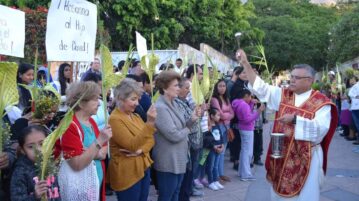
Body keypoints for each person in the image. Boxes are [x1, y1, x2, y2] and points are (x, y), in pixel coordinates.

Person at [237, 49, 338, 201]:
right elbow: (260, 87)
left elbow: (320, 129)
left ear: (310, 80)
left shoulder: (321, 103)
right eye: (292, 76)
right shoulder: (283, 95)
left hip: (306, 157)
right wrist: (245, 63)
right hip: (283, 155)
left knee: (305, 195)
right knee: (278, 194)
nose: (292, 80)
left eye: (297, 77)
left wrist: (296, 119)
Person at [54, 81, 112, 201]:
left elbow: (103, 153)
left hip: (95, 186)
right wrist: (99, 142)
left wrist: (88, 151)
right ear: (81, 103)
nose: (100, 103)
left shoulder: (91, 122)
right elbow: (77, 164)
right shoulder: (69, 125)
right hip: (79, 189)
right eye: (95, 99)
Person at [153, 71, 200, 201]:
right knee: (167, 196)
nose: (178, 88)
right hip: (168, 161)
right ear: (164, 88)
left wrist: (192, 119)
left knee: (175, 194)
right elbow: (173, 135)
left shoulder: (174, 103)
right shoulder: (160, 107)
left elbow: (181, 126)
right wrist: (189, 128)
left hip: (179, 159)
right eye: (175, 85)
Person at [108, 78, 157, 201]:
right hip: (127, 173)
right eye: (133, 99)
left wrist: (140, 151)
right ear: (120, 98)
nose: (137, 103)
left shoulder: (135, 116)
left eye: (137, 99)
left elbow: (151, 140)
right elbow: (131, 145)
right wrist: (150, 122)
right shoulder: (115, 119)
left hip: (143, 167)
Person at [10, 125, 61, 201]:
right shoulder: (21, 171)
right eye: (31, 147)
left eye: (42, 144)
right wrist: (35, 196)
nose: (38, 150)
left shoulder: (51, 163)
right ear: (22, 150)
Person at [232, 89, 265, 181]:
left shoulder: (239, 103)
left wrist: (251, 104)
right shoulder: (243, 105)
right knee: (248, 153)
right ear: (246, 96)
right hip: (247, 129)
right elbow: (247, 119)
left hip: (243, 128)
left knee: (244, 151)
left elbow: (246, 114)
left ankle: (241, 172)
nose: (251, 98)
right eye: (250, 96)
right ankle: (246, 174)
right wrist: (258, 111)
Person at [210, 79, 234, 183]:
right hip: (218, 127)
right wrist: (226, 115)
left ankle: (221, 173)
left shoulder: (227, 98)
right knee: (218, 151)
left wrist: (226, 115)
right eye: (220, 86)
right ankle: (217, 175)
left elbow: (232, 113)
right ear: (216, 87)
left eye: (224, 86)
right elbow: (220, 115)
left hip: (227, 127)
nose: (222, 88)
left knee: (223, 152)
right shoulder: (214, 99)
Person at [203, 108, 224, 191]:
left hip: (218, 148)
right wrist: (214, 147)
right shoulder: (209, 127)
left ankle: (216, 180)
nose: (219, 117)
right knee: (210, 166)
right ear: (211, 116)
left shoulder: (217, 125)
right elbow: (208, 139)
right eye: (217, 115)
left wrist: (222, 145)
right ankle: (210, 182)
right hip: (212, 149)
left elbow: (221, 136)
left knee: (215, 166)